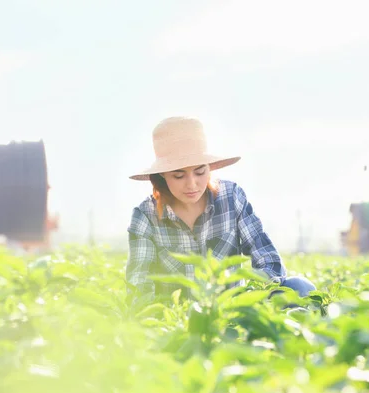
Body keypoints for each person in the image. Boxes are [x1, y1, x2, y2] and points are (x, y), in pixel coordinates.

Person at [125, 116, 315, 304]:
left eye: (200, 172)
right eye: (178, 175)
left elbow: (266, 256)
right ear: (162, 176)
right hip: (182, 320)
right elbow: (139, 284)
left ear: (209, 168)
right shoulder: (146, 216)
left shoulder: (231, 197)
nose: (192, 184)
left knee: (299, 288)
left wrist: (254, 297)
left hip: (232, 312)